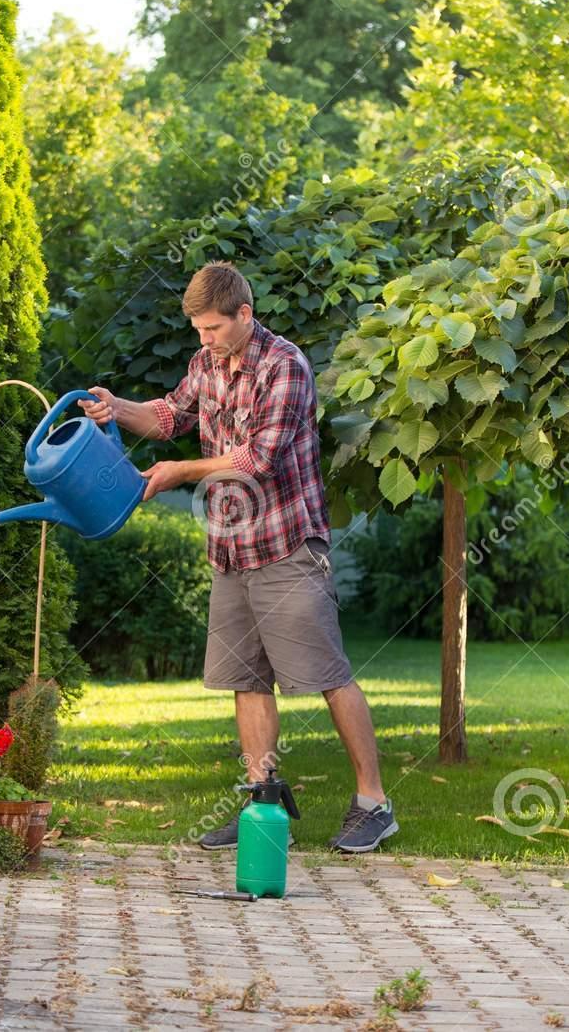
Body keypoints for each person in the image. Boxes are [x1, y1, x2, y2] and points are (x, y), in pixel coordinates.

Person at [78, 260, 398, 854]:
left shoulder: (286, 367)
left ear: (244, 315)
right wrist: (117, 407)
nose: (204, 341)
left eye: (213, 329)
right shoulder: (206, 363)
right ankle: (261, 804)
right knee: (246, 679)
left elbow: (260, 458)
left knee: (326, 674)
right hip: (230, 550)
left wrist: (179, 473)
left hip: (287, 545)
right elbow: (172, 415)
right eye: (198, 330)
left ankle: (373, 804)